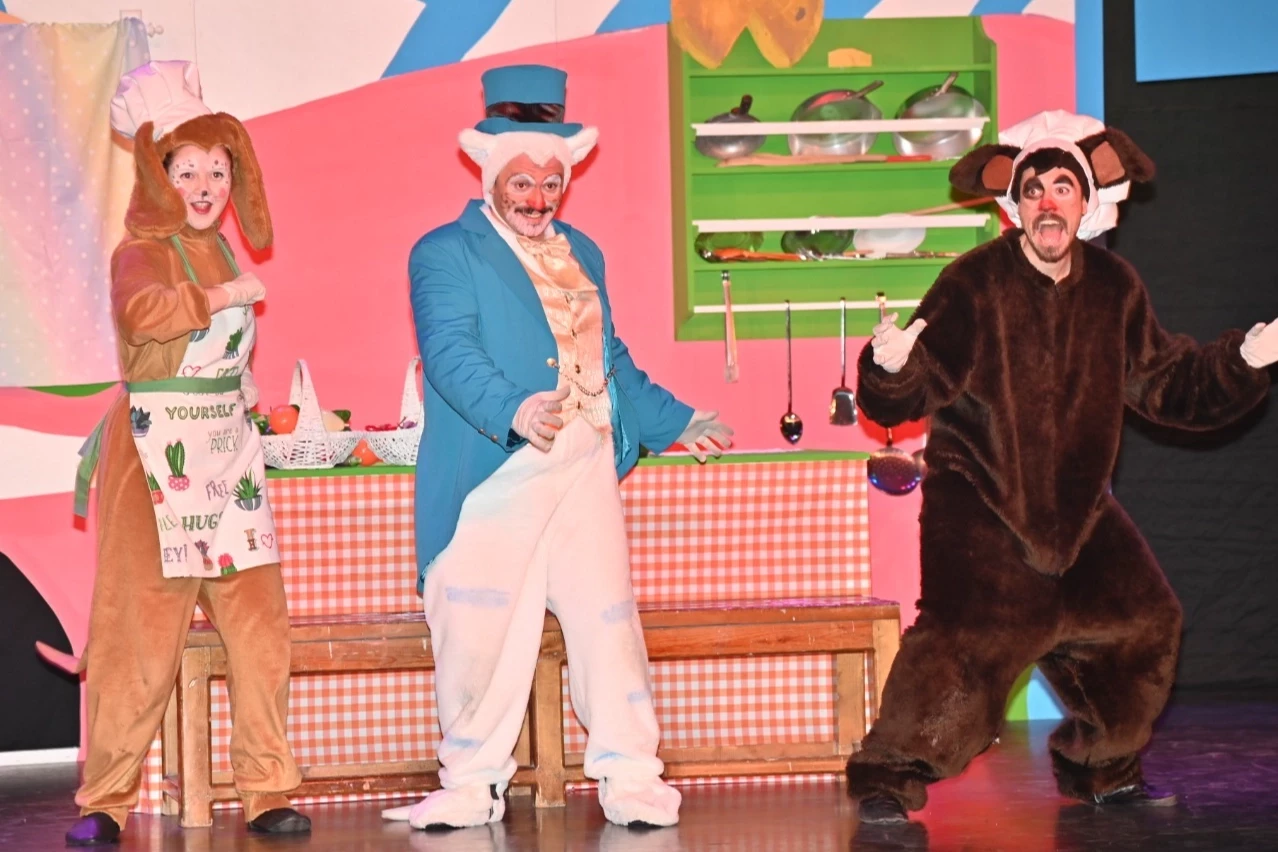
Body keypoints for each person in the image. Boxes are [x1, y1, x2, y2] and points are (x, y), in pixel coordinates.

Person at [846, 110, 1278, 824]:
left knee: (1143, 622)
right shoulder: (972, 282)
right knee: (963, 642)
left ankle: (1103, 767)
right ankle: (887, 777)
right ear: (1014, 206)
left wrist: (1243, 361)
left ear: (1087, 202)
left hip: (1078, 514)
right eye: (1034, 190)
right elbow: (921, 381)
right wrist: (890, 370)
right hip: (982, 503)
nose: (1048, 203)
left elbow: (1167, 382)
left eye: (1063, 188)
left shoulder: (1115, 287)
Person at [381, 64, 732, 831]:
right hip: (497, 471)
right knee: (480, 632)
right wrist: (513, 409)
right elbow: (448, 351)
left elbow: (609, 357)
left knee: (609, 625)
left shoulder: (585, 254)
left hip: (585, 461)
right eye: (523, 181)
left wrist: (676, 420)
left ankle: (632, 777)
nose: (538, 198)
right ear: (491, 176)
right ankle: (471, 781)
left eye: (551, 183)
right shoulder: (445, 252)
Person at [68, 60, 308, 846]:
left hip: (227, 459)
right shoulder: (139, 249)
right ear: (161, 177)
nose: (205, 186)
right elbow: (142, 317)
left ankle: (267, 789)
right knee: (139, 637)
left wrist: (242, 387)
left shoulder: (224, 248)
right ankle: (106, 801)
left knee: (261, 631)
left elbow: (218, 354)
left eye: (217, 170)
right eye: (188, 171)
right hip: (155, 460)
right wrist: (222, 298)